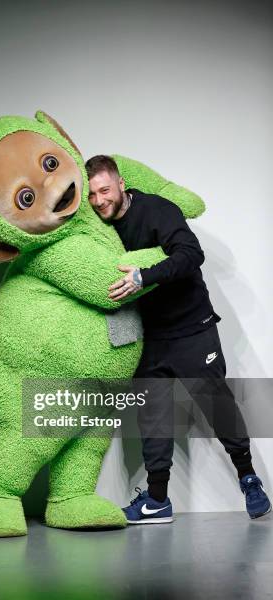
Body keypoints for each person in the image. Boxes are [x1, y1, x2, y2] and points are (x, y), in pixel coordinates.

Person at [86, 154, 271, 523]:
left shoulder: (158, 210)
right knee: (152, 420)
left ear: (121, 184)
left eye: (104, 190)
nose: (98, 200)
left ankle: (249, 478)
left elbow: (191, 255)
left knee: (218, 406)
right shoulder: (98, 227)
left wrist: (144, 277)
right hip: (149, 339)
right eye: (91, 194)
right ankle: (157, 500)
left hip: (192, 330)